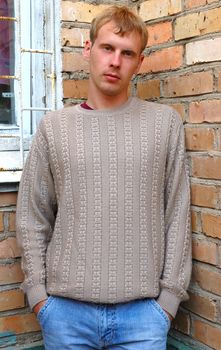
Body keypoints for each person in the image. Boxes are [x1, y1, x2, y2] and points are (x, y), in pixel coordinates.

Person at [16, 5, 192, 350]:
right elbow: (32, 216)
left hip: (144, 317)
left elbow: (177, 215)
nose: (115, 61)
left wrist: (168, 302)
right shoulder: (54, 127)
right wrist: (39, 295)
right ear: (88, 49)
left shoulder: (164, 124)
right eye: (107, 48)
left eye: (127, 54)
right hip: (65, 315)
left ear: (139, 63)